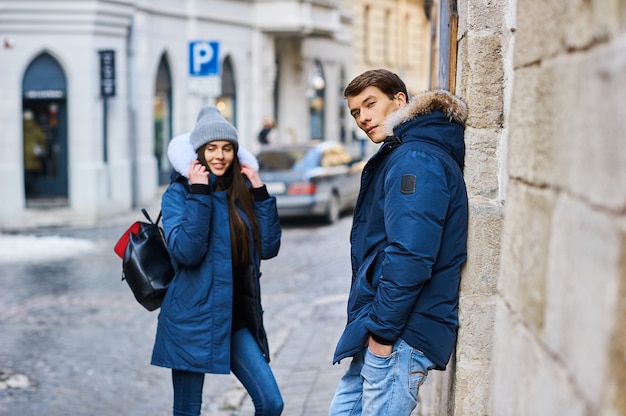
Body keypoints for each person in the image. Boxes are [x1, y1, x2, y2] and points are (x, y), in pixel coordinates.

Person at [329, 69, 469, 416]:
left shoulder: (416, 159)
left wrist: (382, 335)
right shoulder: (407, 153)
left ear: (400, 100)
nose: (363, 117)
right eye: (355, 112)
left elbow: (411, 254)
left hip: (399, 334)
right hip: (382, 325)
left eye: (370, 104)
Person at [151, 105, 284, 416]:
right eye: (211, 148)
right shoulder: (178, 195)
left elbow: (269, 248)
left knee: (271, 402)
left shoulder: (241, 193)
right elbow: (186, 252)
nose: (220, 155)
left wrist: (261, 193)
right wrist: (199, 192)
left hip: (236, 318)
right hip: (191, 320)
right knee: (187, 410)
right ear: (199, 153)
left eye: (227, 148)